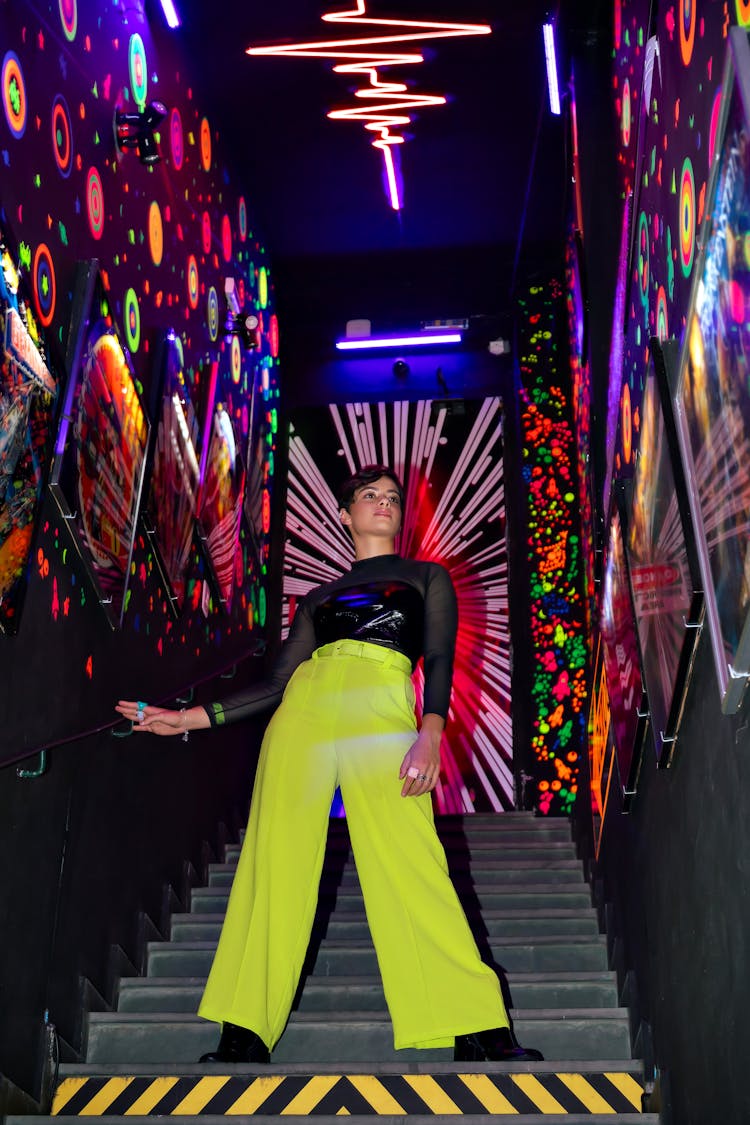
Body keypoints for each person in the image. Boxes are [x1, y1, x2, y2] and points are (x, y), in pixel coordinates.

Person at [116, 465, 543, 1065]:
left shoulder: (427, 577)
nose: (383, 503)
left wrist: (430, 732)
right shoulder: (318, 598)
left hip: (383, 707)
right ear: (346, 513)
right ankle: (245, 1030)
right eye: (369, 495)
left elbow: (440, 657)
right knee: (275, 861)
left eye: (392, 497)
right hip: (306, 713)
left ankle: (473, 1023)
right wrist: (188, 718)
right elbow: (277, 685)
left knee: (414, 861)